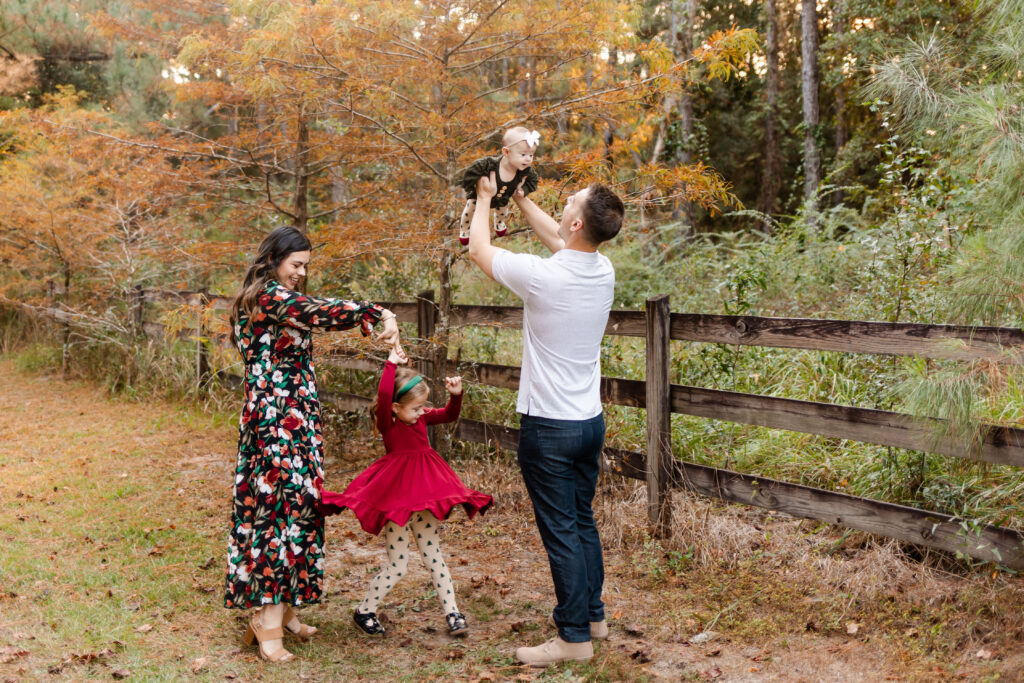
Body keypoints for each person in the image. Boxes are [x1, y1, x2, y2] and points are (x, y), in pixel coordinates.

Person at [467, 171, 625, 666]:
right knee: (581, 522)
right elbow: (561, 240)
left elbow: (478, 251)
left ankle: (573, 638)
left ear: (576, 221)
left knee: (561, 531)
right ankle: (593, 616)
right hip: (588, 423)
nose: (564, 204)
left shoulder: (543, 276)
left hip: (549, 428)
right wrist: (520, 198)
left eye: (570, 201)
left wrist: (485, 199)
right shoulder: (602, 270)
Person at [224, 224, 402, 663]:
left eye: (305, 265)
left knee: (302, 506)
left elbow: (308, 313)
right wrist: (378, 312)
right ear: (274, 260)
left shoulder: (280, 299)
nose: (301, 272)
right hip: (273, 423)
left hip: (298, 419)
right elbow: (320, 311)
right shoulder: (268, 296)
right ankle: (266, 622)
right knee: (275, 512)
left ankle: (285, 611)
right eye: (296, 264)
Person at [320, 348, 493, 636]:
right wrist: (390, 365)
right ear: (395, 407)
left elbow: (450, 415)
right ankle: (365, 611)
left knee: (433, 555)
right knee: (398, 566)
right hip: (397, 503)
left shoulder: (422, 418)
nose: (421, 412)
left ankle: (453, 612)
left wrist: (457, 394)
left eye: (422, 407)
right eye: (414, 408)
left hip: (426, 496)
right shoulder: (388, 424)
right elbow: (385, 394)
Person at [457, 126, 541, 246]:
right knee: (469, 210)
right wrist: (470, 186)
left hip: (502, 198)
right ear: (506, 152)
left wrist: (524, 190)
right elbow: (472, 170)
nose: (528, 159)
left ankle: (499, 223)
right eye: (523, 155)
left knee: (502, 210)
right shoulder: (489, 164)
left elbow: (533, 181)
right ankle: (464, 230)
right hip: (479, 198)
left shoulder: (525, 171)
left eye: (531, 155)